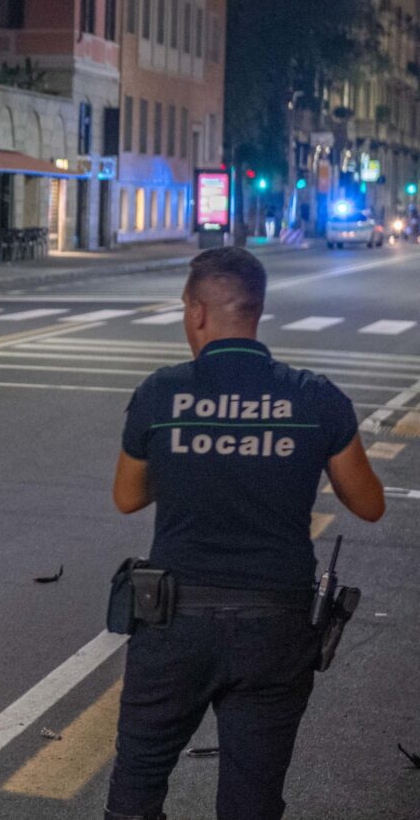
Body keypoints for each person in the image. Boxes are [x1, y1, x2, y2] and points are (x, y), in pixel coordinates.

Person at [105, 247, 384, 820]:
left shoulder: (161, 394)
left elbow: (128, 496)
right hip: (275, 629)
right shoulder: (314, 397)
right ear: (255, 311)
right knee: (252, 800)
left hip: (174, 627)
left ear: (198, 312)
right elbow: (369, 504)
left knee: (138, 781)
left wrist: (195, 454)